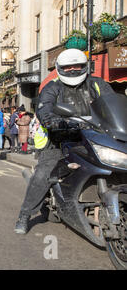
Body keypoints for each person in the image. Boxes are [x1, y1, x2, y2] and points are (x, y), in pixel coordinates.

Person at [14, 48, 115, 234]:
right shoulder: (53, 87)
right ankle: (24, 215)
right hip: (60, 140)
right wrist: (52, 120)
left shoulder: (98, 84)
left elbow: (112, 103)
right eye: (68, 67)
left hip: (95, 138)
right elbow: (44, 108)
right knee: (43, 174)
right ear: (61, 69)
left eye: (77, 66)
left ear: (85, 66)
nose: (73, 70)